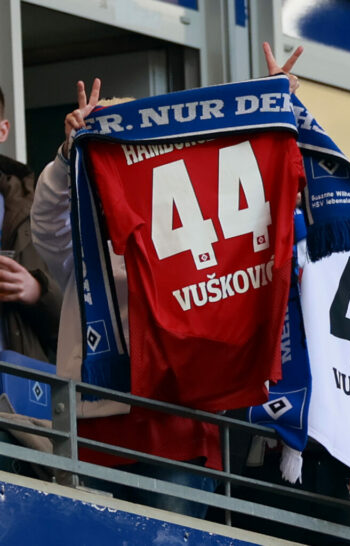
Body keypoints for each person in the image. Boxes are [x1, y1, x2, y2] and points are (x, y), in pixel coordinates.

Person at [30, 78, 219, 518]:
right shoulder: (82, 242)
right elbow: (45, 224)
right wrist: (66, 156)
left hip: (179, 430)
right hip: (95, 430)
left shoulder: (192, 226)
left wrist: (273, 109)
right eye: (102, 150)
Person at [0, 83, 64, 476]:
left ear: (2, 130)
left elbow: (73, 324)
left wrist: (35, 290)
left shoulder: (34, 203)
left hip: (23, 416)